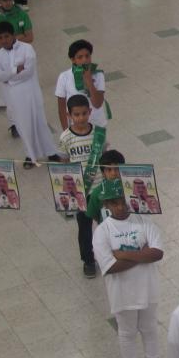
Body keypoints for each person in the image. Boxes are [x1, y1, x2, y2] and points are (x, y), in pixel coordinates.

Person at [92, 179, 164, 358]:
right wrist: (142, 254)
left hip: (148, 289)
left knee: (150, 329)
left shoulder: (144, 221)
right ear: (107, 205)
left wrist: (123, 254)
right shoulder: (102, 231)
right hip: (122, 294)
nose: (120, 206)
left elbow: (157, 253)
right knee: (127, 333)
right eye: (114, 203)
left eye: (122, 201)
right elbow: (110, 267)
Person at [0, 21, 58, 169]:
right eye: (0, 38)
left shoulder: (27, 49)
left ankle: (51, 152)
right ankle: (30, 155)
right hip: (14, 97)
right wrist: (15, 70)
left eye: (6, 36)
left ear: (13, 35)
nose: (4, 40)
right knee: (23, 126)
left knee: (39, 122)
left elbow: (28, 72)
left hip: (31, 92)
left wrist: (8, 78)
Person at [58, 94, 108, 278]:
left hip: (100, 189)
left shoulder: (99, 134)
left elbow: (104, 158)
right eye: (76, 114)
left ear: (90, 112)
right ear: (69, 115)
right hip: (81, 192)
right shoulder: (65, 137)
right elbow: (64, 163)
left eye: (84, 113)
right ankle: (88, 260)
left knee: (106, 224)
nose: (81, 118)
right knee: (85, 229)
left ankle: (110, 255)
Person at [56, 38, 109, 131]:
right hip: (75, 127)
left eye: (87, 56)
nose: (85, 60)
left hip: (97, 126)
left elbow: (97, 104)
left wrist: (89, 82)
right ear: (73, 60)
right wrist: (66, 131)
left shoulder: (98, 75)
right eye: (80, 57)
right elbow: (61, 108)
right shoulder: (64, 77)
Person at [85, 149, 125, 224]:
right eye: (109, 169)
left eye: (117, 168)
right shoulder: (96, 193)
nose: (113, 173)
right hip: (106, 228)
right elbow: (94, 215)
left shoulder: (128, 189)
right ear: (103, 173)